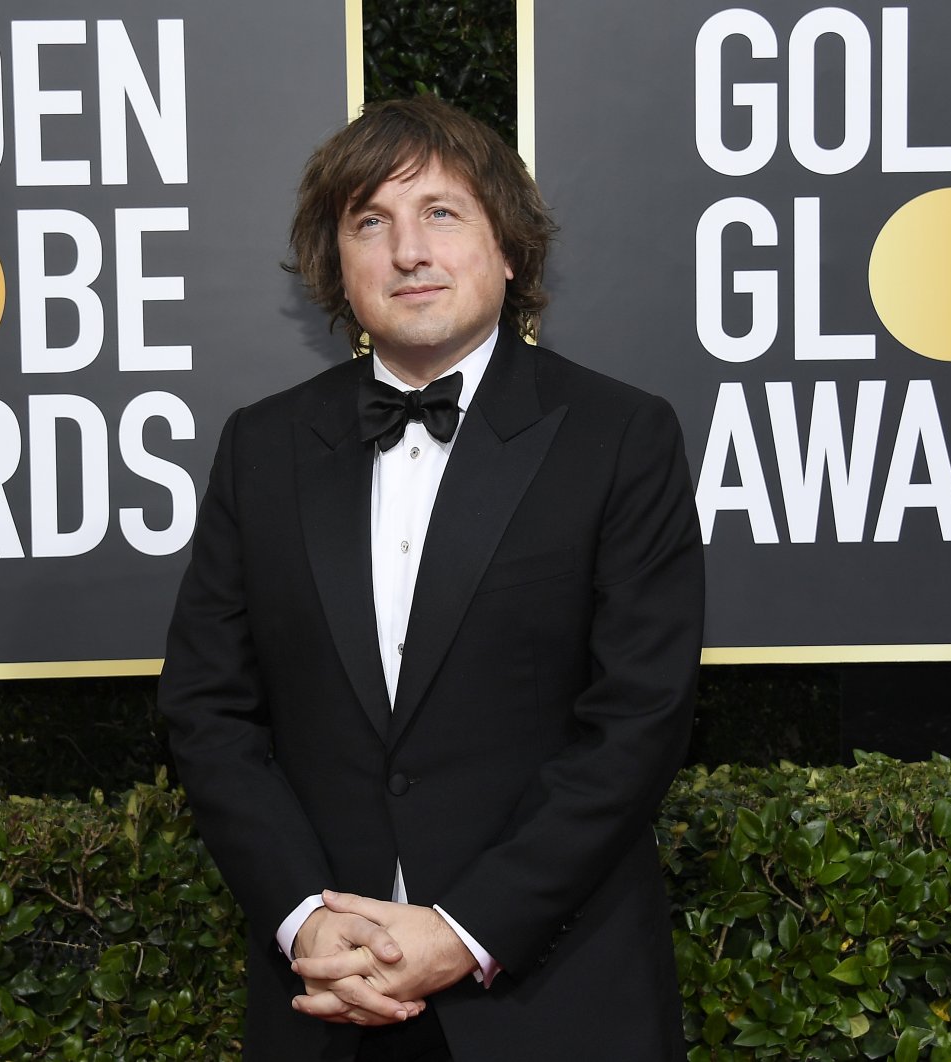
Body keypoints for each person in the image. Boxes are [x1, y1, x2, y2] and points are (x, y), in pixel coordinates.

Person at [159, 94, 704, 1061]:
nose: (409, 250)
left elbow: (638, 720)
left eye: (442, 214)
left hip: (554, 998)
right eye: (372, 221)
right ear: (339, 266)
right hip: (328, 1004)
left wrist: (467, 929)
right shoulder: (262, 448)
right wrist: (306, 925)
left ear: (509, 249)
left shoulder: (622, 437)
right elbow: (208, 710)